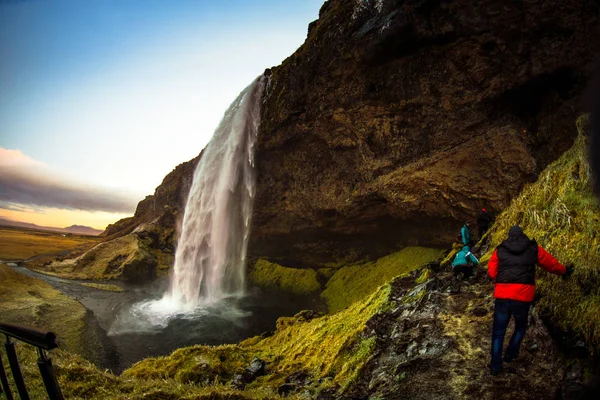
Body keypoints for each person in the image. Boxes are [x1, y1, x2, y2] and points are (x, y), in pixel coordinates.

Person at [487, 225, 574, 375]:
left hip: (502, 295)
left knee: (498, 332)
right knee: (521, 326)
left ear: (509, 235)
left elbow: (491, 270)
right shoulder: (533, 249)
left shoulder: (500, 249)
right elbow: (550, 263)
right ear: (523, 235)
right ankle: (511, 353)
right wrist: (564, 271)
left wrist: (501, 282)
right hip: (522, 296)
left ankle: (495, 366)